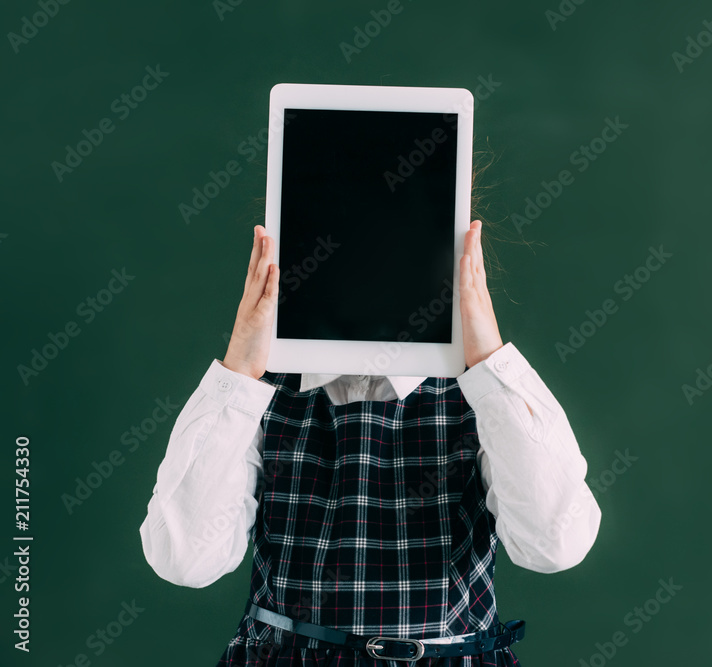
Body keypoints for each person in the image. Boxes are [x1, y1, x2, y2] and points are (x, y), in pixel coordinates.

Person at [139, 220, 601, 666]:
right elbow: (185, 560)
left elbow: (553, 544)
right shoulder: (257, 393)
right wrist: (238, 369)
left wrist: (490, 361)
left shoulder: (482, 396)